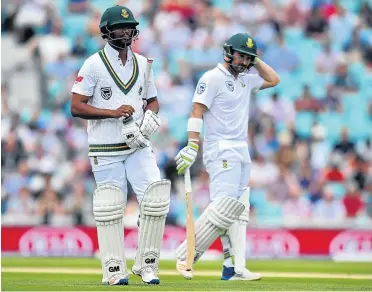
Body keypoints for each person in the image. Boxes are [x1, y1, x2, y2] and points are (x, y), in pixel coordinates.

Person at [70, 5, 170, 286]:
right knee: (111, 207)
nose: (126, 31)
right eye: (119, 27)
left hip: (138, 143)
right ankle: (114, 269)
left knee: (156, 199)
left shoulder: (142, 62)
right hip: (105, 147)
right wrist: (112, 112)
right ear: (106, 31)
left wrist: (150, 116)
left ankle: (146, 264)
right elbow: (76, 106)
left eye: (129, 26)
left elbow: (152, 100)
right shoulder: (93, 64)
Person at [174, 33, 280, 280]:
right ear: (229, 52)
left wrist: (254, 60)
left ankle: (234, 267)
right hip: (220, 147)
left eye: (248, 59)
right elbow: (196, 110)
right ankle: (186, 255)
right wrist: (192, 145)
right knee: (222, 208)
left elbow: (274, 79)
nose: (244, 62)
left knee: (238, 210)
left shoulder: (246, 79)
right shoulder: (212, 78)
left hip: (241, 148)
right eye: (241, 56)